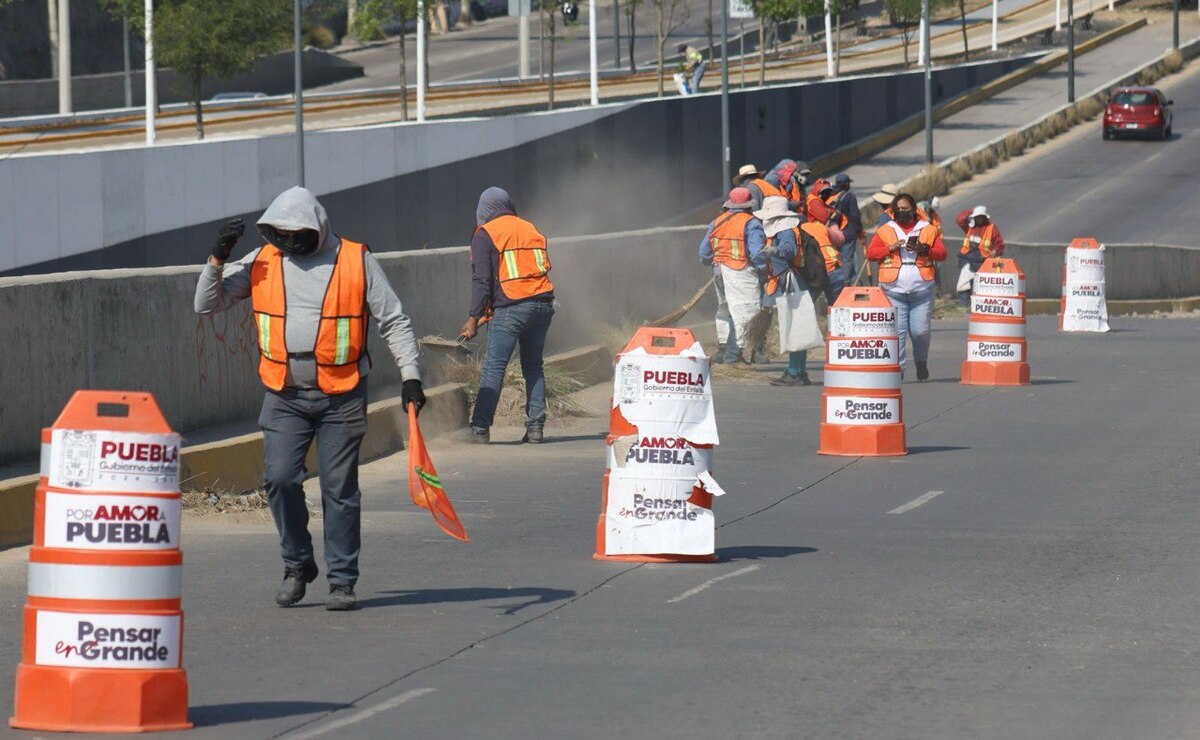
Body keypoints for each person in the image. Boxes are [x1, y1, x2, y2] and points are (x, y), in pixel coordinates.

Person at [194, 187, 425, 612]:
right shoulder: (263, 259)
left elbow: (394, 320)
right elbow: (206, 304)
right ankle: (298, 566)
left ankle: (342, 581)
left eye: (296, 235)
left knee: (339, 489)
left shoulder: (355, 260)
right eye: (280, 235)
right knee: (280, 479)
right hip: (284, 394)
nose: (288, 243)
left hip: (343, 394)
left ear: (317, 229)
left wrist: (410, 375)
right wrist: (218, 258)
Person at [460, 187, 555, 445]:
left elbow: (482, 280)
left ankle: (480, 428)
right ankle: (535, 429)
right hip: (543, 304)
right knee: (533, 366)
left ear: (484, 209)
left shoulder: (486, 233)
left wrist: (473, 317)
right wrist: (489, 311)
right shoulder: (529, 228)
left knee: (494, 367)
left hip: (512, 308)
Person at [865, 192, 947, 381]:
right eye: (899, 209)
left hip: (922, 290)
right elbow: (871, 253)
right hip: (893, 290)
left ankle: (921, 361)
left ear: (914, 210)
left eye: (906, 209)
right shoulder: (886, 230)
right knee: (898, 332)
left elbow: (942, 254)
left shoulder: (927, 229)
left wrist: (925, 249)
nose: (902, 212)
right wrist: (890, 248)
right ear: (894, 210)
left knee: (920, 332)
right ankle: (899, 369)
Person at [754, 197, 824, 386]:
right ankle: (799, 372)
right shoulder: (788, 228)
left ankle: (794, 373)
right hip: (796, 283)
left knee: (794, 328)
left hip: (792, 284)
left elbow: (789, 250)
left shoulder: (784, 230)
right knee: (798, 328)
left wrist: (773, 251)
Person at [699, 187, 765, 364]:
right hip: (740, 271)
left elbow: (704, 252)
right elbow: (756, 253)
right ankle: (733, 354)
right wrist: (764, 269)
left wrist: (712, 263)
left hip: (718, 271)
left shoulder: (717, 222)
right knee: (744, 311)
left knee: (725, 310)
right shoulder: (751, 223)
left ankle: (723, 350)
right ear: (749, 205)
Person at [955, 205, 1005, 306]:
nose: (978, 219)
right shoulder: (970, 226)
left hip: (983, 262)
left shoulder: (991, 228)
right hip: (968, 259)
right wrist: (971, 211)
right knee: (963, 285)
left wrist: (995, 251)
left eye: (980, 217)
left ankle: (978, 306)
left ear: (984, 217)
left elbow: (1000, 243)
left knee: (980, 287)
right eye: (976, 217)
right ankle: (964, 305)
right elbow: (960, 220)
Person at [829, 173, 862, 294]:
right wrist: (859, 229)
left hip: (834, 232)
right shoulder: (850, 196)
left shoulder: (833, 195)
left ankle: (842, 282)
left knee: (839, 259)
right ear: (846, 184)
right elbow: (854, 215)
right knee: (848, 259)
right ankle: (847, 284)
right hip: (848, 232)